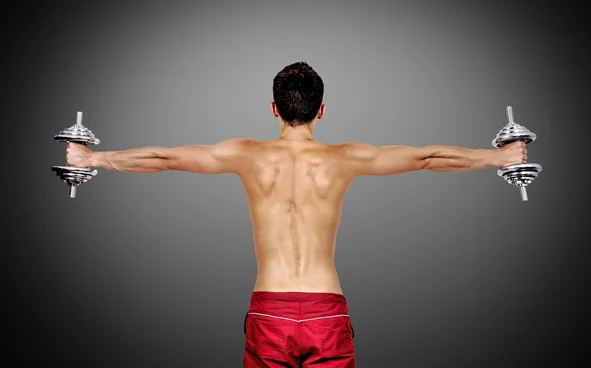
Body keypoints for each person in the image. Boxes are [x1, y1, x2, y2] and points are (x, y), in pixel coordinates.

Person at [66, 61, 527, 367]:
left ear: (274, 109)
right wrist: (500, 157)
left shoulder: (245, 154)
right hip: (326, 312)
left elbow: (163, 158)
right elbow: (427, 157)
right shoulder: (346, 157)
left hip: (269, 312)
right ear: (321, 110)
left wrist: (92, 159)